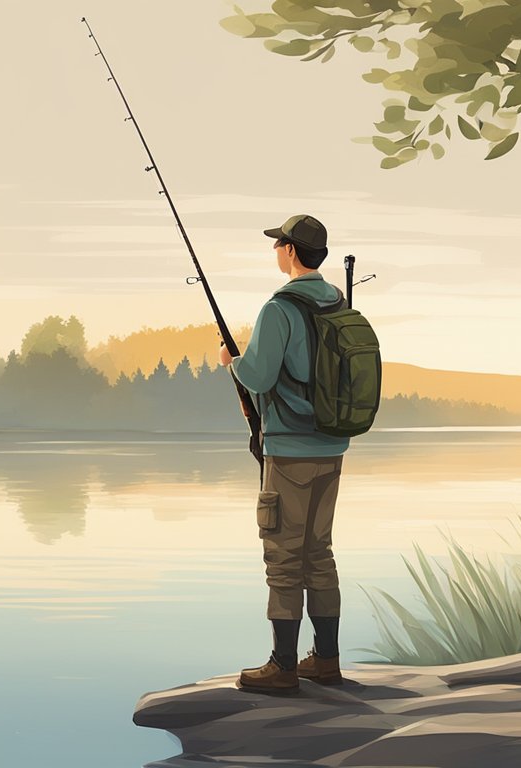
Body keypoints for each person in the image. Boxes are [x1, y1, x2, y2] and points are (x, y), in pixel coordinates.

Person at [219, 213, 349, 693]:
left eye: (279, 245)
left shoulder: (280, 309)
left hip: (290, 451)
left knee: (283, 556)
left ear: (292, 251)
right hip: (333, 445)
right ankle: (328, 660)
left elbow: (257, 376)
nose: (276, 251)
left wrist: (231, 362)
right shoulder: (337, 303)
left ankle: (284, 666)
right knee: (320, 552)